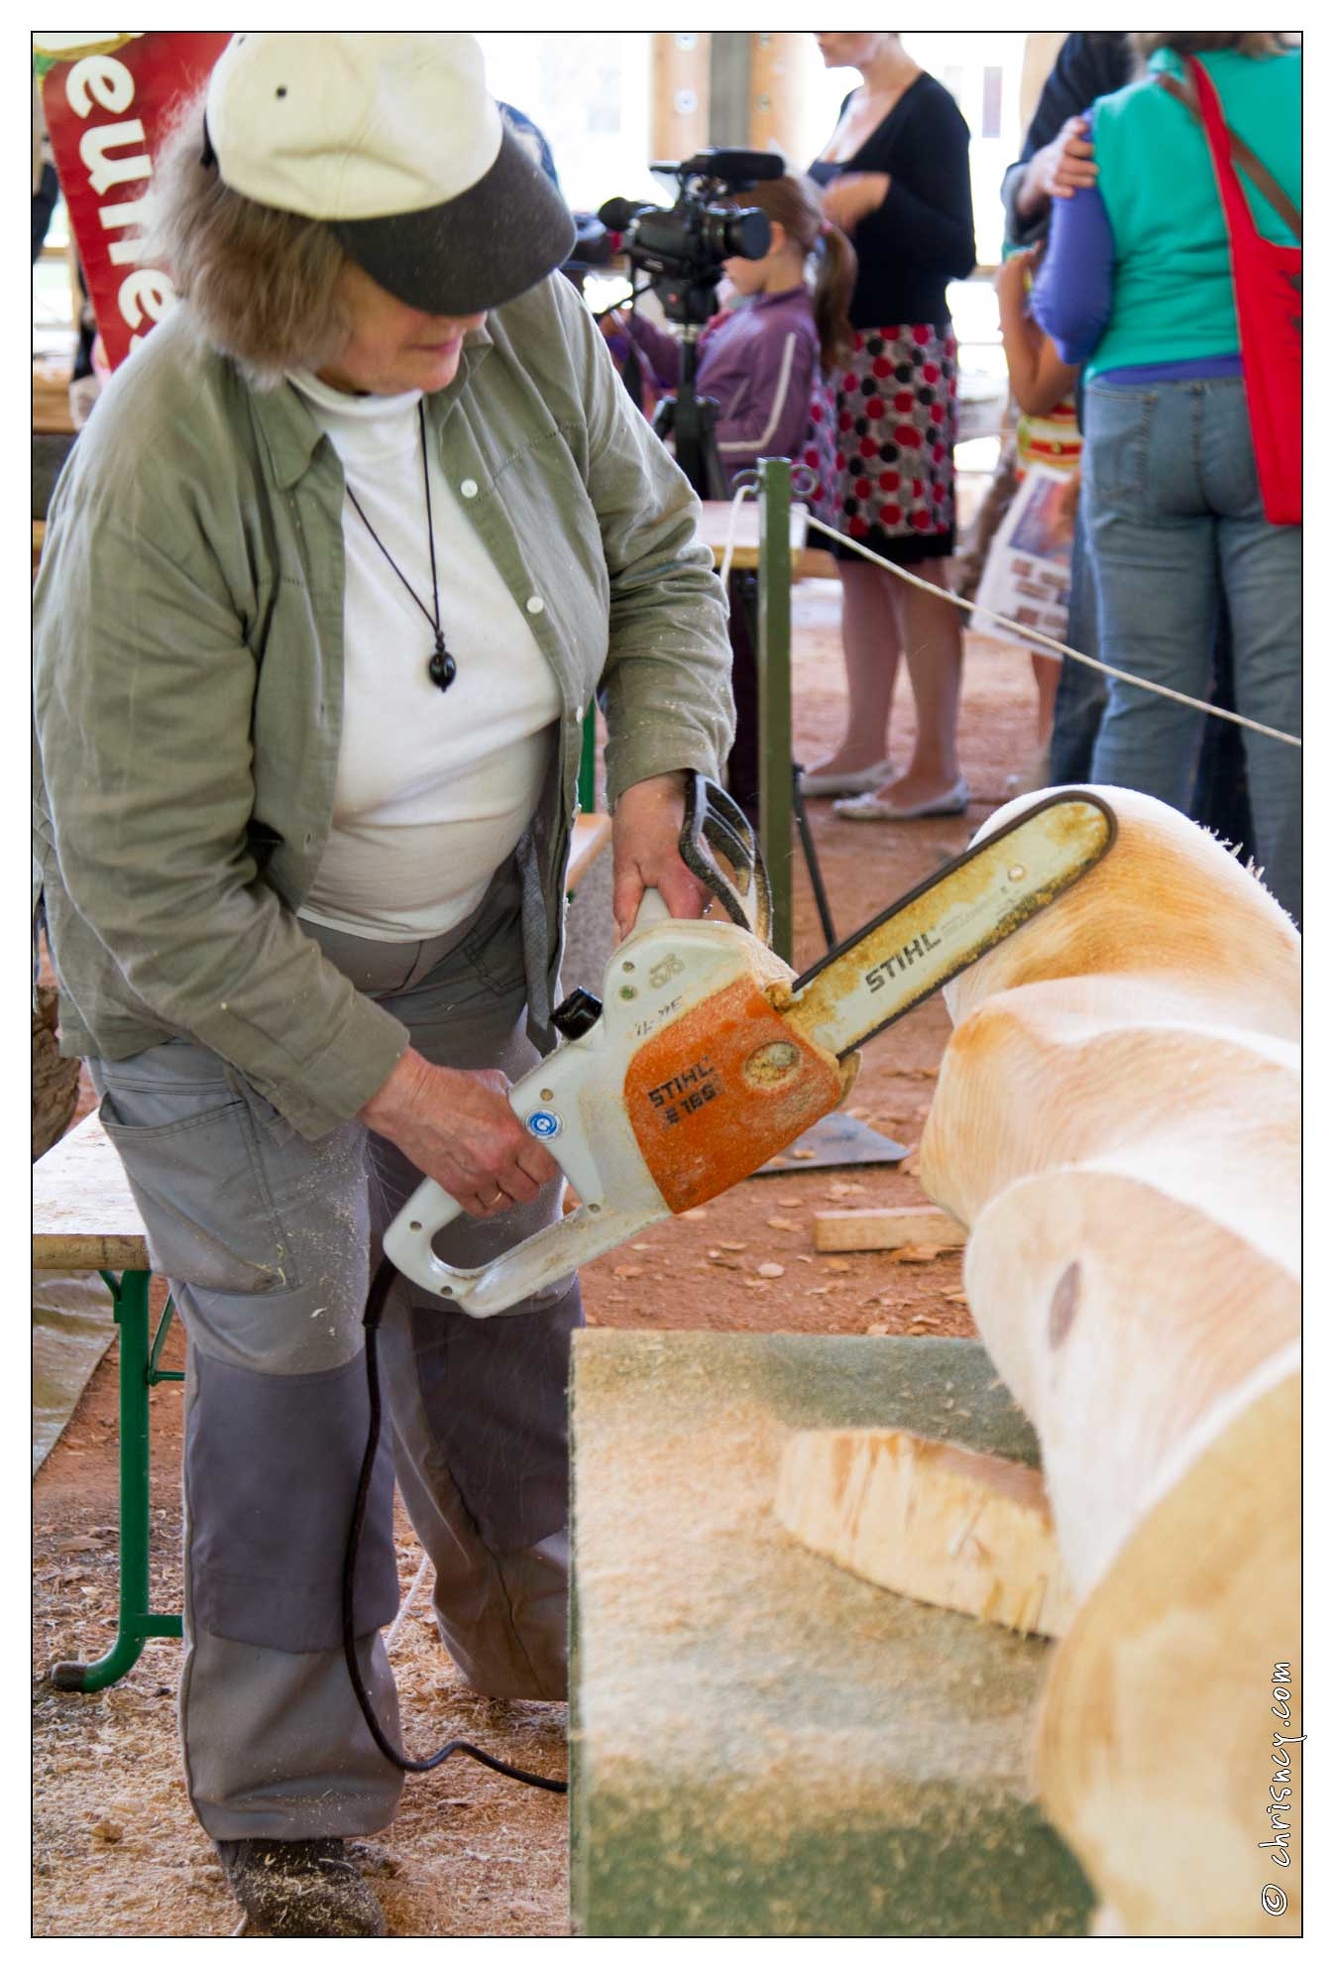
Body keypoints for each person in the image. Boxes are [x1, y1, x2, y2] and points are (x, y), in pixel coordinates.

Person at [32, 32, 733, 1937]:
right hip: (215, 980)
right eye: (414, 276)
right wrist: (400, 1092)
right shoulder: (167, 457)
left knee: (502, 1276)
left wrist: (655, 769)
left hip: (472, 931)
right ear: (269, 269)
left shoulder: (514, 330)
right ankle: (288, 1783)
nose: (469, 307)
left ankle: (538, 1648)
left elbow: (661, 556)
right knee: (291, 1345)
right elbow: (149, 879)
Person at [1030, 31, 1300, 924]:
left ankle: (1124, 944)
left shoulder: (1107, 122)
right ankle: (1300, 959)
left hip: (1137, 420)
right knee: (1287, 708)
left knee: (1145, 704)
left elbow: (1073, 313)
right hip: (1280, 413)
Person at [610, 172, 857, 819]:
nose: (718, 258)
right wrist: (632, 329)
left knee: (740, 658)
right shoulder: (745, 315)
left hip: (744, 511)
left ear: (768, 238)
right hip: (717, 508)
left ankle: (752, 799)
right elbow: (681, 374)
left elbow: (769, 436)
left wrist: (674, 449)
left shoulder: (787, 328)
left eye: (729, 238)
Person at [798, 32, 976, 822]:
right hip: (849, 356)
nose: (820, 31)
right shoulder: (851, 104)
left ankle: (936, 765)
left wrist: (876, 197)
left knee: (914, 561)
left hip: (903, 356)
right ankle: (864, 743)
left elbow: (959, 249)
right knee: (861, 560)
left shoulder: (932, 111)